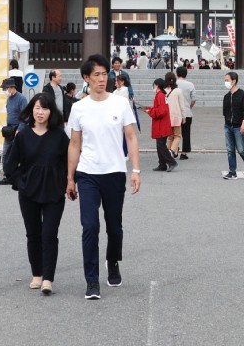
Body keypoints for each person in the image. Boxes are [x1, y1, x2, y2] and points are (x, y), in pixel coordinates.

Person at [66, 54, 141, 301]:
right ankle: (91, 280)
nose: (101, 79)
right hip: (87, 174)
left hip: (115, 172)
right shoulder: (79, 107)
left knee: (114, 226)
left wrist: (136, 170)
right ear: (86, 78)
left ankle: (113, 261)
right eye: (96, 75)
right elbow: (74, 143)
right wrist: (70, 177)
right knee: (90, 226)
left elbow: (131, 136)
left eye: (104, 74)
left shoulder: (119, 104)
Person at [5, 93, 69, 295]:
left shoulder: (59, 136)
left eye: (45, 108)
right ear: (31, 110)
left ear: (52, 112)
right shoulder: (23, 135)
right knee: (33, 234)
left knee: (49, 234)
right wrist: (20, 183)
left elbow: (69, 162)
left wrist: (67, 182)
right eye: (37, 108)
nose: (41, 112)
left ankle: (48, 278)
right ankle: (37, 274)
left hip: (54, 192)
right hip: (28, 193)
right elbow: (9, 165)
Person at [221, 70, 244, 179]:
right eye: (225, 80)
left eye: (227, 80)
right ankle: (232, 171)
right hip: (227, 126)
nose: (225, 82)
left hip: (238, 126)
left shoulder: (243, 94)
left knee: (241, 149)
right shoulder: (226, 96)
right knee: (230, 149)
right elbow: (224, 112)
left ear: (234, 81)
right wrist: (227, 122)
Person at [0, 77, 27, 186]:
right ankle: (7, 176)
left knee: (19, 154)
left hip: (18, 131)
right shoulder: (9, 99)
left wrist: (19, 129)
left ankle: (21, 175)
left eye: (5, 89)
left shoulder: (22, 99)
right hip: (9, 131)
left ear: (11, 87)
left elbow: (25, 116)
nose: (4, 91)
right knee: (6, 153)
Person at [146, 77, 177, 172]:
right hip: (162, 124)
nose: (153, 86)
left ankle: (171, 162)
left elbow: (161, 111)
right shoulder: (162, 95)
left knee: (161, 145)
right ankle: (162, 164)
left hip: (161, 125)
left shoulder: (160, 95)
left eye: (154, 85)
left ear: (157, 85)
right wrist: (150, 110)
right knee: (160, 145)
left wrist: (150, 111)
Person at [175, 65, 196, 159]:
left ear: (177, 74)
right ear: (186, 74)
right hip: (187, 112)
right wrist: (189, 107)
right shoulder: (190, 85)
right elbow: (194, 99)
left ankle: (174, 150)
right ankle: (184, 153)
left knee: (175, 133)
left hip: (175, 113)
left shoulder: (173, 84)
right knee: (186, 133)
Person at [166, 72, 186, 157]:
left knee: (170, 136)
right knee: (177, 136)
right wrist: (184, 116)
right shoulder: (178, 91)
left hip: (167, 116)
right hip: (176, 115)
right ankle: (172, 151)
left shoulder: (164, 90)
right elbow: (182, 105)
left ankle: (168, 153)